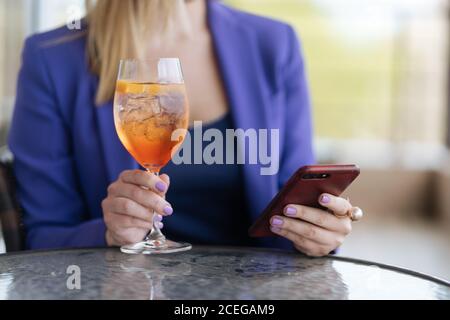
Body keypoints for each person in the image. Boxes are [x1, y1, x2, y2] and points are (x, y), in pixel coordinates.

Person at [9, 0, 359, 256]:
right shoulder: (52, 58)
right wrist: (108, 232)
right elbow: (43, 238)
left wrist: (318, 232)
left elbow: (292, 203)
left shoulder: (273, 44)